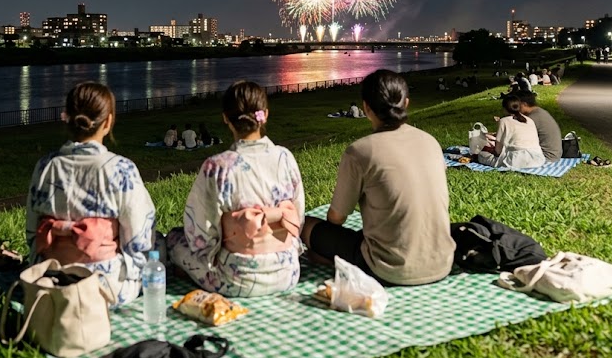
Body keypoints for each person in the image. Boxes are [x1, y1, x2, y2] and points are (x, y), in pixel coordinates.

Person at [300, 69, 454, 286]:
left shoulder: (360, 151)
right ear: (406, 103)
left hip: (389, 269)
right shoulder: (431, 142)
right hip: (442, 262)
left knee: (307, 225)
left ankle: (332, 259)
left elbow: (336, 218)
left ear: (366, 107)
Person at [168, 81, 305, 297]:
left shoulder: (217, 167)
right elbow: (298, 216)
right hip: (287, 273)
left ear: (226, 118)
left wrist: (216, 251)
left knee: (173, 240)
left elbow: (201, 233)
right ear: (265, 114)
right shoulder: (285, 158)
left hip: (237, 279)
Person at [26, 82, 156, 306]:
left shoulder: (45, 166)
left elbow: (32, 231)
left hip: (52, 280)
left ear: (67, 118)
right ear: (108, 121)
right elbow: (139, 235)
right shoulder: (120, 169)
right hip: (104, 287)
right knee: (160, 245)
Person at [476, 94, 546, 169]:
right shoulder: (530, 120)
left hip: (516, 160)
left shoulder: (503, 121)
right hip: (538, 159)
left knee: (481, 155)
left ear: (504, 109)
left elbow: (498, 151)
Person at [515, 91, 562, 162]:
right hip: (554, 155)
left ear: (524, 104)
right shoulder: (541, 112)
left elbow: (518, 139)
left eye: (516, 106)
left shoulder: (532, 118)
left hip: (545, 157)